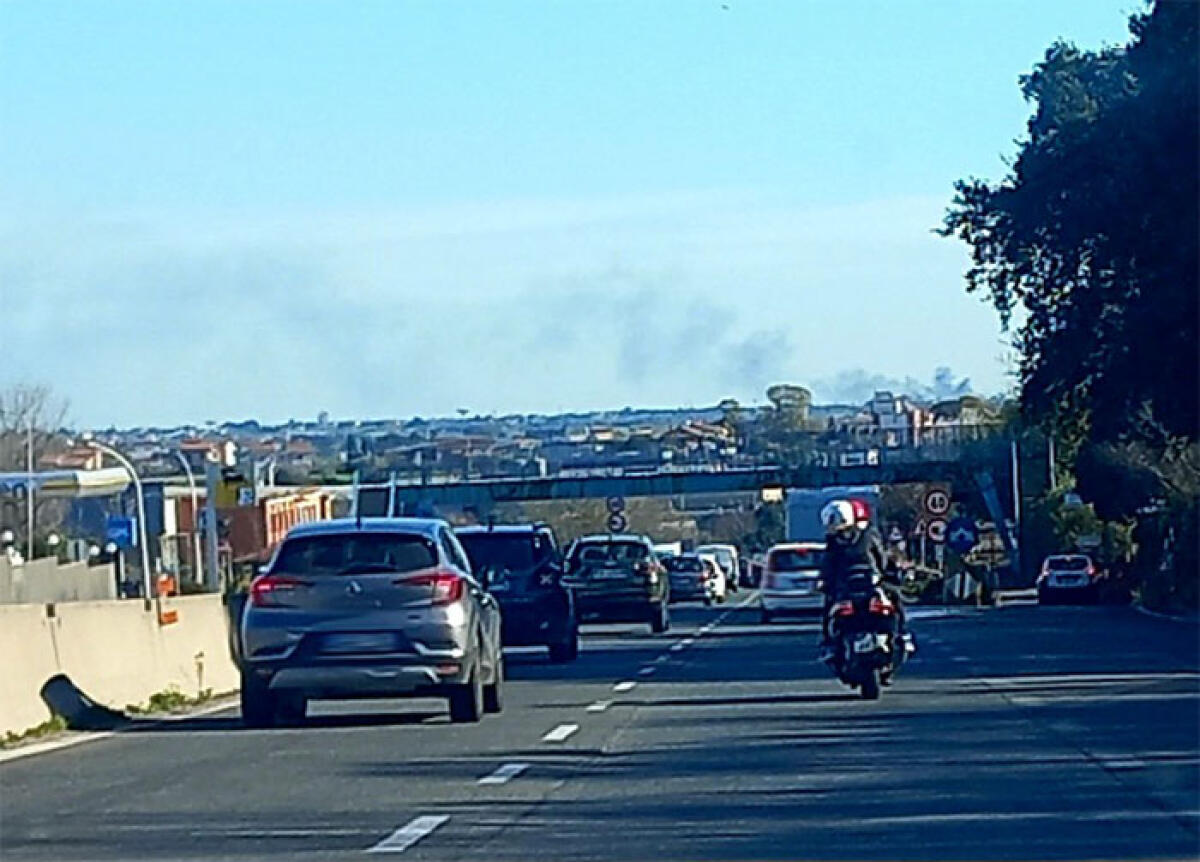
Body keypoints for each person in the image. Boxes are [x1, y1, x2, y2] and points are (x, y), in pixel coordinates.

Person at [818, 498, 911, 663]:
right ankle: (829, 643)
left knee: (894, 599)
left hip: (866, 585)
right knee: (830, 607)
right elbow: (828, 566)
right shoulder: (862, 537)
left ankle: (902, 634)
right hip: (852, 586)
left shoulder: (863, 537)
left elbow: (880, 559)